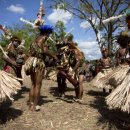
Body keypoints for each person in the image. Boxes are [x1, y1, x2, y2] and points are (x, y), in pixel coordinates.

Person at [24, 2, 55, 111]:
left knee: (32, 84)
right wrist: (53, 56)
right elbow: (45, 51)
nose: (49, 35)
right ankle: (35, 105)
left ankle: (30, 104)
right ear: (46, 32)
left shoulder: (35, 39)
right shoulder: (44, 38)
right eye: (49, 33)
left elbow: (30, 52)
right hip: (38, 62)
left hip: (31, 61)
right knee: (38, 84)